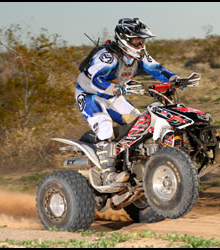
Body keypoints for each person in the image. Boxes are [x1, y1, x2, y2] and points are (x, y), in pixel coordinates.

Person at [75, 18, 182, 185]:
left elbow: (157, 69)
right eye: (136, 41)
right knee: (104, 125)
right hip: (90, 95)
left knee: (140, 123)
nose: (140, 44)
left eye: (142, 40)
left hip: (113, 96)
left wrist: (176, 79)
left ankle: (133, 163)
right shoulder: (108, 57)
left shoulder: (139, 56)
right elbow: (95, 80)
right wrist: (114, 89)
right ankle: (108, 174)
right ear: (124, 39)